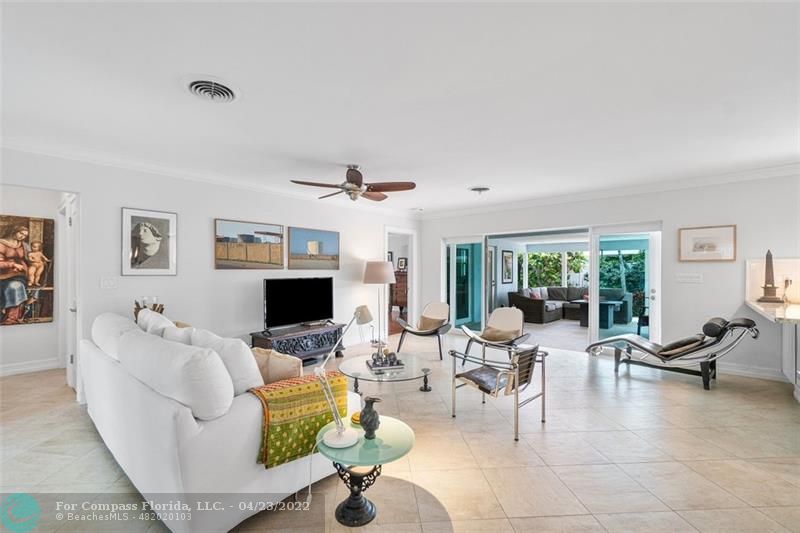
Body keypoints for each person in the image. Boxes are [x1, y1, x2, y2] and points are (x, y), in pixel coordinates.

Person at [0, 224, 31, 325]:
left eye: (25, 235)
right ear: (14, 230)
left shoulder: (24, 245)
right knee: (11, 287)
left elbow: (28, 259)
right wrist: (12, 264)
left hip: (19, 275)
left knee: (16, 286)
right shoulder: (1, 243)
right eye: (20, 233)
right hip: (3, 275)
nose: (22, 237)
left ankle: (12, 317)